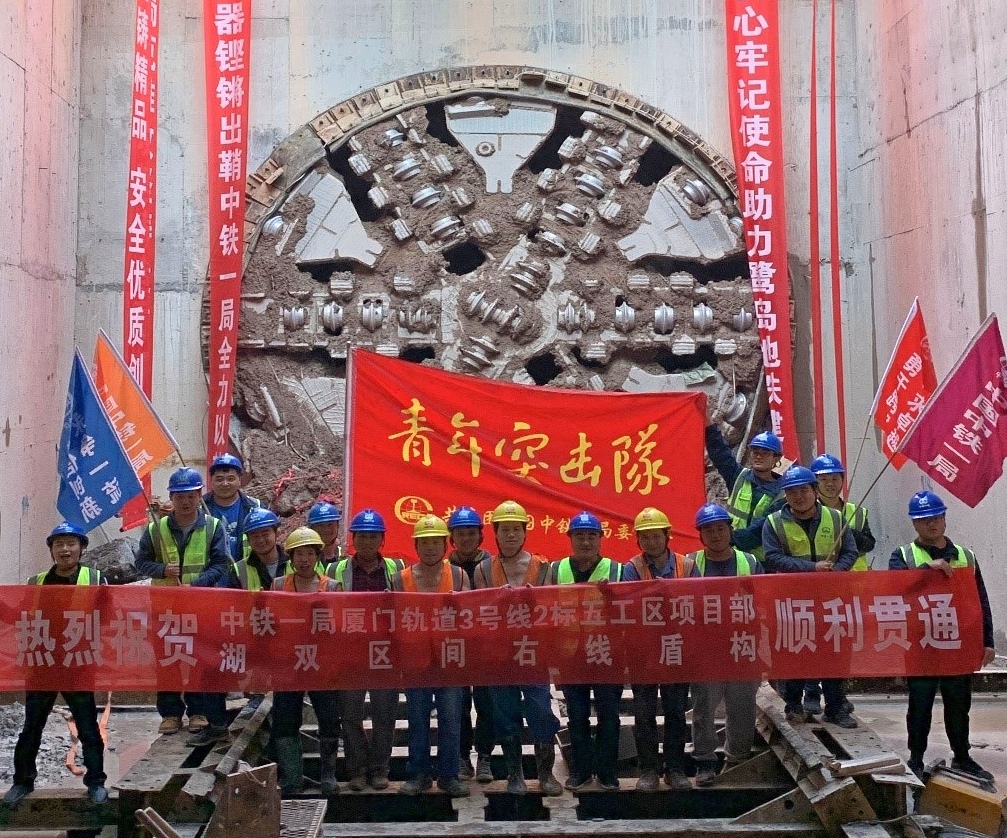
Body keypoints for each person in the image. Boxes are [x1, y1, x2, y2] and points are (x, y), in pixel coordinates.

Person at [889, 490, 996, 782]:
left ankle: (962, 756)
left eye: (936, 517)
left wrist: (987, 640)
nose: (932, 524)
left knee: (959, 704)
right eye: (924, 520)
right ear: (914, 524)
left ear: (945, 519)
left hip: (957, 643)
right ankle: (916, 758)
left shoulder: (965, 556)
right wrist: (926, 570)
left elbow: (980, 600)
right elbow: (894, 590)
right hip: (921, 644)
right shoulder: (903, 556)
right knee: (920, 705)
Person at [3, 523, 109, 805]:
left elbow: (109, 616)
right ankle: (22, 782)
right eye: (59, 544)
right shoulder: (35, 582)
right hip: (44, 663)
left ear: (82, 548)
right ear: (51, 550)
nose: (65, 550)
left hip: (77, 662)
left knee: (88, 727)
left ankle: (96, 782)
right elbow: (22, 617)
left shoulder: (96, 578)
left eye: (71, 543)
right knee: (32, 727)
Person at [134, 467, 231, 739]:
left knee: (198, 657)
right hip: (165, 607)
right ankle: (170, 713)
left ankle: (198, 711)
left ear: (199, 495)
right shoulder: (156, 529)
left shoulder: (213, 527)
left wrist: (197, 585)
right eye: (179, 497)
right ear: (172, 498)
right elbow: (140, 563)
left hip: (200, 605)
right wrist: (162, 569)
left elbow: (221, 564)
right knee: (168, 658)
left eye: (190, 496)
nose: (185, 502)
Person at [472, 500, 561, 796]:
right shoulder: (483, 570)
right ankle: (515, 774)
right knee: (505, 713)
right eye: (505, 529)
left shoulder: (543, 567)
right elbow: (480, 611)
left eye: (516, 529)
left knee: (540, 710)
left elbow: (552, 609)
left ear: (525, 532)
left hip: (534, 653)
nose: (510, 535)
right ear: (495, 533)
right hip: (500, 655)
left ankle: (545, 774)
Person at [762, 465, 859, 729]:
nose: (798, 496)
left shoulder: (836, 518)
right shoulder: (774, 523)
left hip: (831, 600)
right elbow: (773, 558)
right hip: (793, 601)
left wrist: (835, 573)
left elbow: (850, 551)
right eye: (792, 492)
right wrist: (811, 569)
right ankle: (794, 705)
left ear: (815, 491)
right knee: (795, 652)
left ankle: (835, 707)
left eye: (803, 490)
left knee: (834, 652)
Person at [325, 509, 404, 791]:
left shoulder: (396, 568)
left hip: (386, 652)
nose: (367, 542)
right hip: (350, 652)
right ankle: (357, 770)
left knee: (385, 713)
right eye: (362, 536)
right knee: (350, 714)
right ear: (353, 539)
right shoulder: (335, 570)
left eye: (373, 536)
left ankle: (380, 769)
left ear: (382, 540)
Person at [392, 515, 470, 798]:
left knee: (451, 719)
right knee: (417, 718)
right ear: (416, 546)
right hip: (416, 661)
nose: (430, 548)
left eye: (436, 542)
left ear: (445, 544)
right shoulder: (401, 579)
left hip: (449, 660)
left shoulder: (459, 576)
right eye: (424, 542)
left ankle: (449, 775)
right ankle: (419, 774)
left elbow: (469, 615)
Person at [544, 511, 622, 791]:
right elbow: (546, 608)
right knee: (577, 716)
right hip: (571, 654)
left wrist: (611, 595)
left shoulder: (617, 570)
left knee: (608, 715)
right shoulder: (556, 570)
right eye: (580, 536)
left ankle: (607, 772)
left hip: (605, 653)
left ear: (600, 538)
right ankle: (580, 771)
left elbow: (628, 609)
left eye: (591, 536)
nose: (586, 542)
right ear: (570, 539)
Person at [686, 504, 762, 786]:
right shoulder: (690, 564)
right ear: (700, 535)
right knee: (704, 707)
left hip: (742, 645)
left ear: (730, 530)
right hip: (706, 647)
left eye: (720, 528)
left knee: (742, 705)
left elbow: (764, 600)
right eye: (709, 530)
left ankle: (737, 760)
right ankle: (705, 761)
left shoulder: (749, 562)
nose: (716, 535)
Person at [620, 507, 693, 791]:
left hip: (677, 647)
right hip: (645, 649)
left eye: (656, 536)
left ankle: (675, 768)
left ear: (667, 536)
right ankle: (648, 769)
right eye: (645, 537)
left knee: (676, 710)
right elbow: (631, 603)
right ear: (638, 540)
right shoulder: (632, 568)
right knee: (644, 712)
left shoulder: (687, 566)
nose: (651, 542)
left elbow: (698, 601)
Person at [270, 527, 341, 796]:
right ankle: (292, 778)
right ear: (291, 557)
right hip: (288, 664)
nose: (304, 559)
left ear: (317, 556)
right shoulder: (278, 585)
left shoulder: (331, 586)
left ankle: (328, 775)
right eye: (299, 554)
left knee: (328, 718)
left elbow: (340, 626)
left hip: (322, 663)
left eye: (310, 553)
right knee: (285, 719)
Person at [805, 453, 876, 716]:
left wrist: (845, 529)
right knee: (811, 641)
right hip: (814, 589)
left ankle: (838, 698)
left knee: (840, 645)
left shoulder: (857, 512)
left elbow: (868, 544)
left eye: (835, 478)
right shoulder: (807, 513)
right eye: (824, 479)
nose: (830, 484)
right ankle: (811, 693)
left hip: (849, 590)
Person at [446, 505, 496, 783]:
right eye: (460, 533)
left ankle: (485, 756)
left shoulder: (493, 567)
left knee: (486, 702)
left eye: (471, 533)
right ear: (451, 537)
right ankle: (462, 756)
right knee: (459, 703)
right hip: (455, 645)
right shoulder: (444, 569)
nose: (466, 538)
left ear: (480, 536)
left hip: (486, 646)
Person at [705, 424, 785, 558]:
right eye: (755, 452)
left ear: (776, 458)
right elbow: (719, 452)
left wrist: (727, 539)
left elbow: (760, 529)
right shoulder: (738, 476)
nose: (759, 456)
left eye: (765, 453)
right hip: (732, 556)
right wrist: (709, 425)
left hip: (762, 562)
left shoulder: (783, 494)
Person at [203, 452, 261, 561]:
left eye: (230, 479)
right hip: (210, 570)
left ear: (239, 480)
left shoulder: (255, 508)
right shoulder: (200, 508)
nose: (225, 484)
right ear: (211, 481)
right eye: (219, 479)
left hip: (245, 569)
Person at [227, 507, 289, 591]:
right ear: (248, 540)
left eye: (265, 534)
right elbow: (233, 598)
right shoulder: (239, 570)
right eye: (255, 536)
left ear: (277, 534)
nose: (260, 540)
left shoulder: (294, 563)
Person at [307, 501, 342, 565]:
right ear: (311, 528)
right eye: (320, 525)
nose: (326, 529)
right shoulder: (303, 559)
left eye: (330, 524)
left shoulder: (345, 555)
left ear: (338, 526)